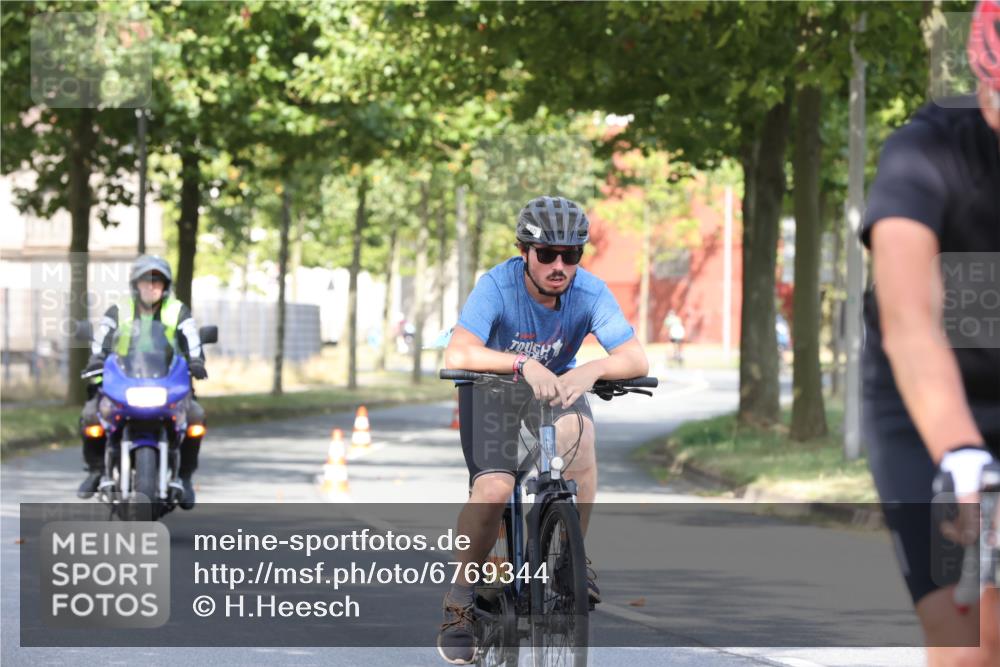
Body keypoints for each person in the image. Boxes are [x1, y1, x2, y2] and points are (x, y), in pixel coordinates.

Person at [436, 195, 649, 664]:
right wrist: (520, 363)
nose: (559, 265)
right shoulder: (496, 285)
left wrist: (590, 371)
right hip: (491, 389)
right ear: (523, 251)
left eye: (570, 255)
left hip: (556, 391)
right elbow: (458, 353)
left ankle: (568, 560)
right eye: (547, 254)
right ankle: (461, 600)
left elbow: (635, 358)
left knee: (582, 438)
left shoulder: (589, 292)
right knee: (494, 488)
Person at [861, 3, 999, 664]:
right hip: (924, 396)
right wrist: (962, 454)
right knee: (968, 626)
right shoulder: (926, 152)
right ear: (983, 83)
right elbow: (911, 324)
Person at [77, 255, 208, 509]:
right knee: (91, 415)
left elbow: (192, 339)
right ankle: (95, 471)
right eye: (145, 282)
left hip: (167, 382)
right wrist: (96, 358)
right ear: (135, 285)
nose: (151, 287)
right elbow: (102, 336)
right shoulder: (119, 309)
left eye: (157, 282)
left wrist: (197, 361)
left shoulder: (177, 310)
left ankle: (185, 477)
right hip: (122, 379)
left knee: (195, 417)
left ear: (165, 285)